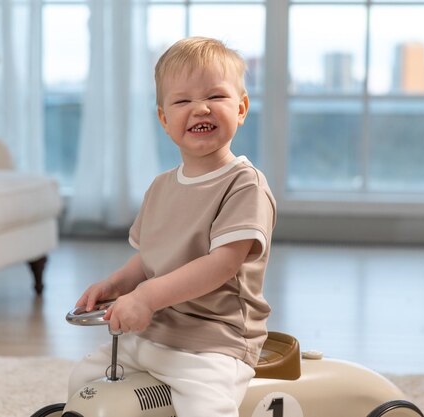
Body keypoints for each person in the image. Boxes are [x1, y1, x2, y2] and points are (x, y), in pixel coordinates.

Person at [68, 36, 276, 417]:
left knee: (204, 406)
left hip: (213, 342)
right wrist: (117, 284)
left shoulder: (245, 184)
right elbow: (149, 259)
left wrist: (146, 298)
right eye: (182, 101)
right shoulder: (161, 187)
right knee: (85, 381)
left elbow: (221, 266)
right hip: (153, 332)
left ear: (241, 108)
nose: (200, 109)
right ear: (164, 119)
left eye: (216, 96)